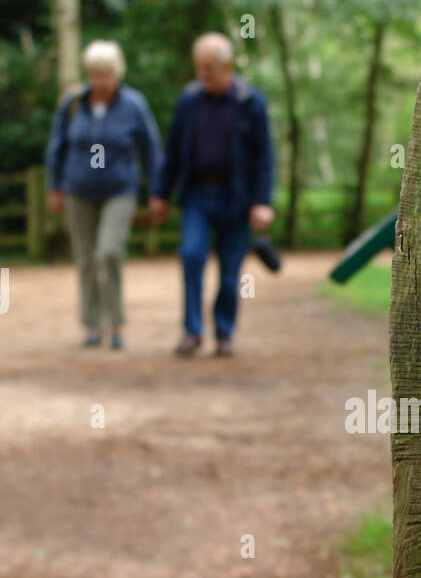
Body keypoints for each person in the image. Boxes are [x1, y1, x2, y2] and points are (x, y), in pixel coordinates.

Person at [149, 33, 277, 357]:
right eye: (199, 68)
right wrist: (160, 194)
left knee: (230, 272)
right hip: (197, 194)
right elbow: (173, 151)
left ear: (228, 66)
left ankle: (224, 333)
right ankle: (192, 332)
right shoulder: (189, 101)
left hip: (237, 199)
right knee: (191, 255)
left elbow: (264, 157)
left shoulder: (250, 102)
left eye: (209, 68)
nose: (203, 74)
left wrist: (262, 201)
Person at [45, 40, 162, 348]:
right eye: (95, 74)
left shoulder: (133, 105)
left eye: (106, 74)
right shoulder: (73, 103)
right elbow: (56, 147)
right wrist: (53, 186)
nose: (101, 81)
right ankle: (91, 324)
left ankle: (115, 321)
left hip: (119, 190)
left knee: (108, 253)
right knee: (85, 260)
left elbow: (151, 149)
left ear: (117, 74)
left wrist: (157, 191)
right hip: (78, 190)